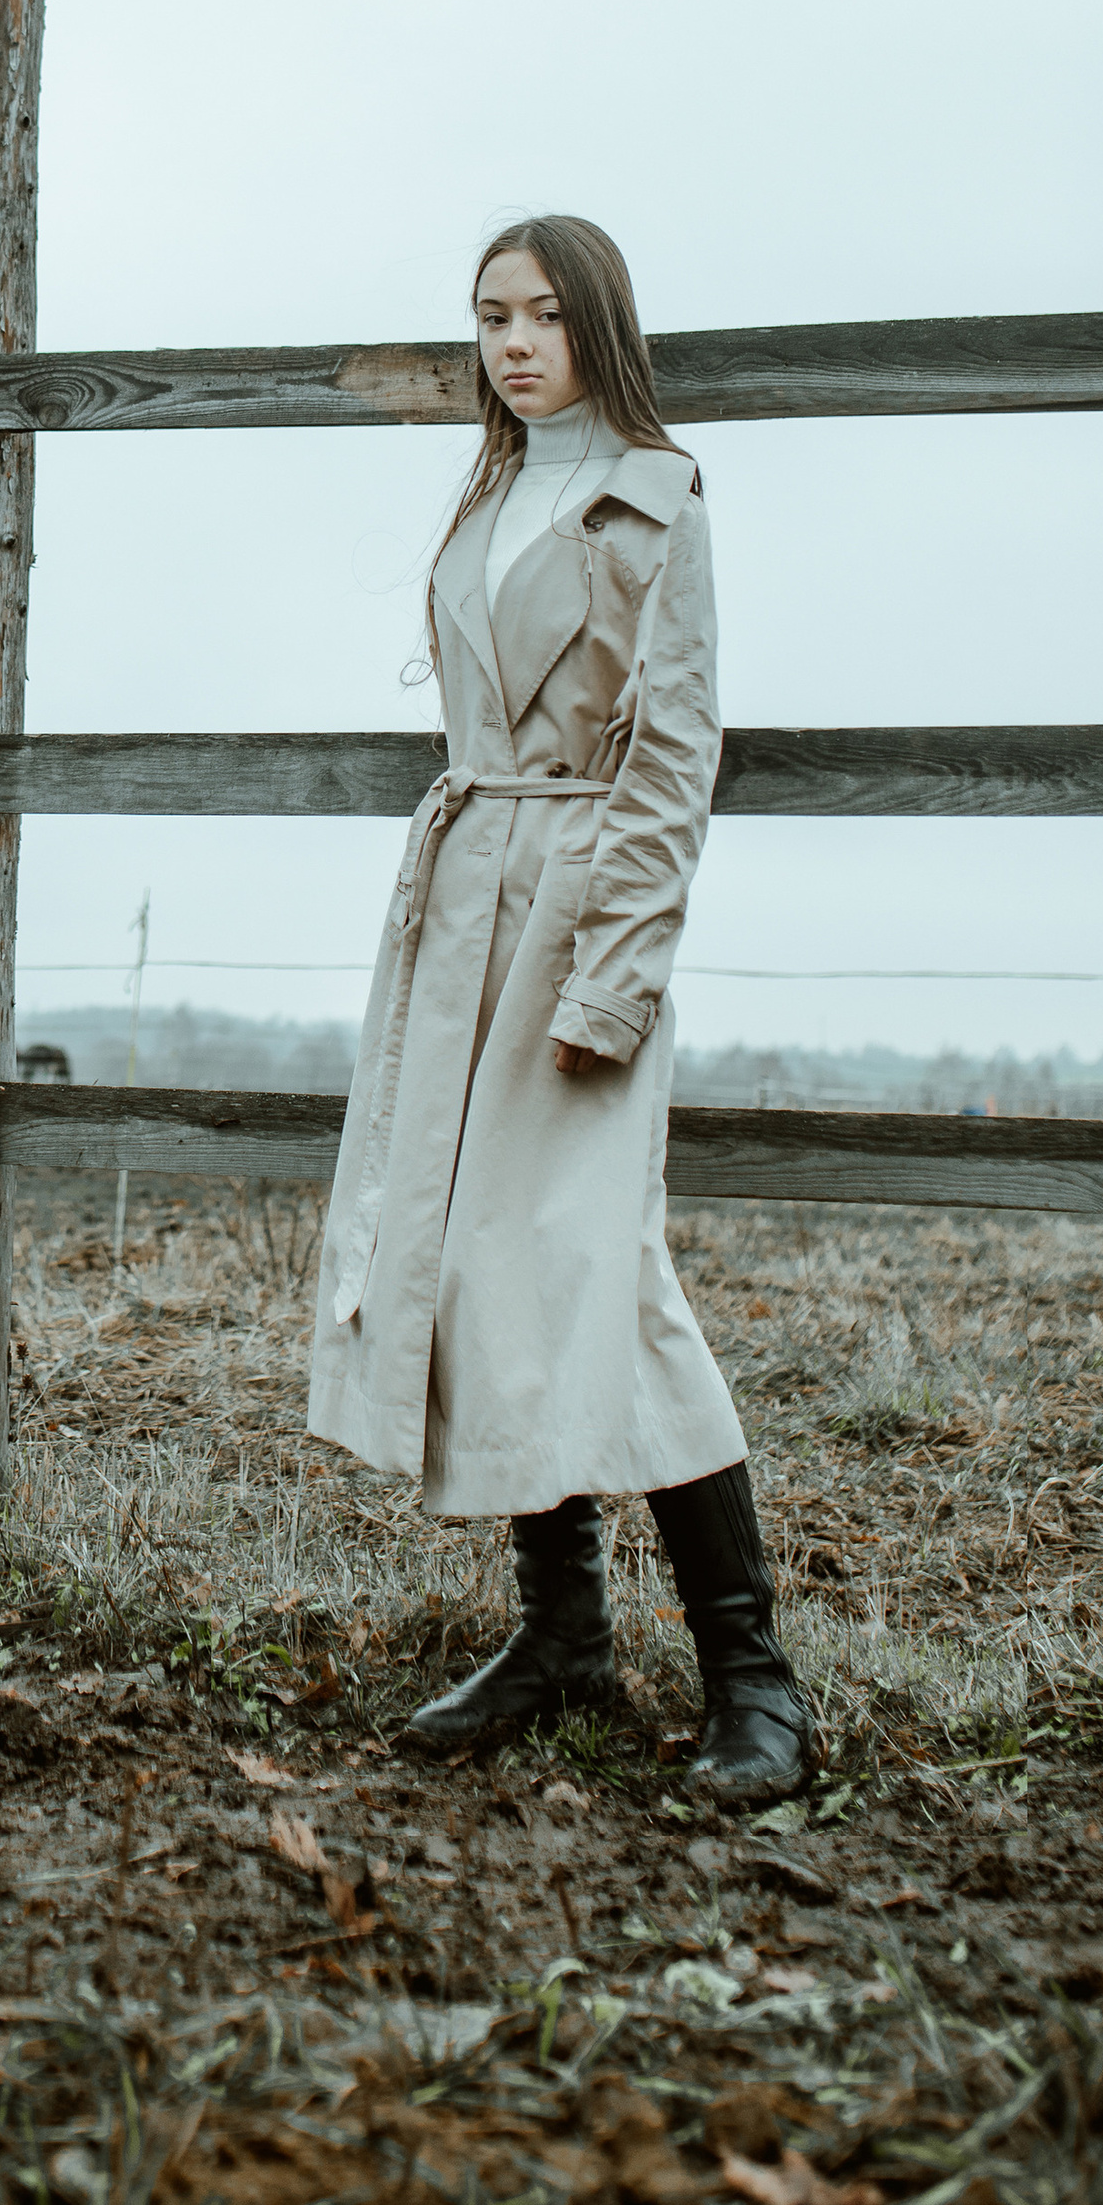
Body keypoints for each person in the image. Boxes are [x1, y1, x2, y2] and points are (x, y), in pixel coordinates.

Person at [308, 215, 816, 1807]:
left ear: (599, 324)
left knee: (605, 1271)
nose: (516, 344)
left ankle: (756, 1681)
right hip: (463, 912)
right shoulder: (488, 494)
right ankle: (563, 1637)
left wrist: (614, 973)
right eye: (491, 318)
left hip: (578, 915)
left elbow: (672, 759)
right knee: (479, 1265)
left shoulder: (655, 500)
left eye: (543, 314)